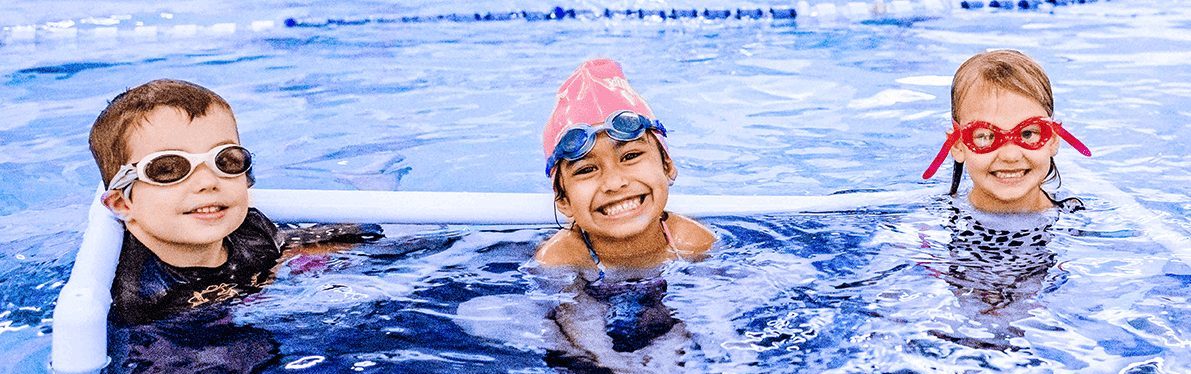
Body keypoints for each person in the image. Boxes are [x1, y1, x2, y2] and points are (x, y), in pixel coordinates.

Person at [89, 79, 379, 325]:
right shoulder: (136, 297)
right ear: (122, 203)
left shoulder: (251, 230)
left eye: (225, 160)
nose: (207, 182)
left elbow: (343, 238)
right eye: (168, 169)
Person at [532, 58, 716, 371]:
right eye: (588, 169)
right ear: (563, 201)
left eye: (630, 156)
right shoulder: (561, 257)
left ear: (667, 166)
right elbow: (574, 323)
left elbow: (714, 310)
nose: (615, 182)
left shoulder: (691, 242)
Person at [921, 49, 1092, 213]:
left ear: (1053, 140)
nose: (1010, 156)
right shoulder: (928, 221)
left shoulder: (1080, 219)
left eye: (1027, 134)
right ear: (958, 146)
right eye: (986, 136)